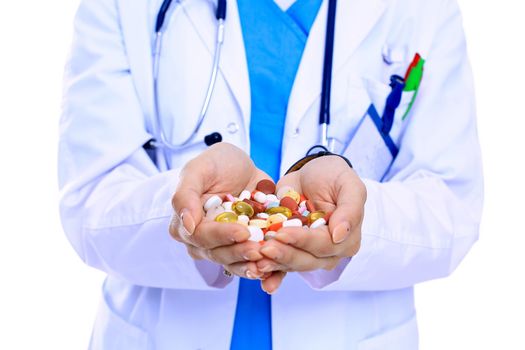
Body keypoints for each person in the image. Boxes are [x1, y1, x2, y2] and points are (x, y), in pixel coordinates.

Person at [58, 0, 483, 349]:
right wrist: (187, 211)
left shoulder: (426, 10)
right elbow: (90, 202)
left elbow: (453, 208)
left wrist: (353, 223)